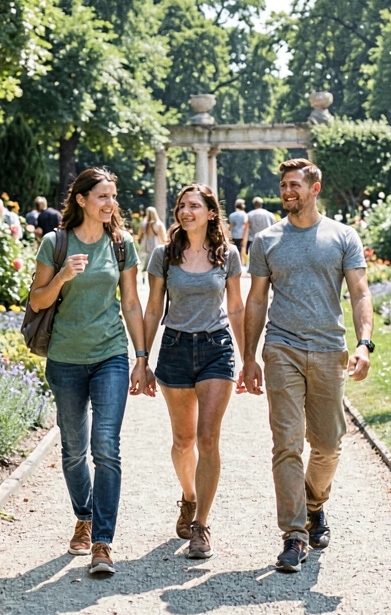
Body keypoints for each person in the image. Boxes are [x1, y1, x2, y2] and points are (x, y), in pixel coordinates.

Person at [238, 159, 374, 573]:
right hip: (282, 348)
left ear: (315, 188)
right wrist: (249, 355)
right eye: (283, 185)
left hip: (329, 348)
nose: (287, 192)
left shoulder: (342, 236)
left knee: (329, 443)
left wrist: (364, 343)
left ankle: (315, 504)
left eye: (295, 185)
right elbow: (257, 300)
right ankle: (294, 534)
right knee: (287, 443)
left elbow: (360, 292)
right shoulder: (267, 240)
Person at [28, 168, 148, 576]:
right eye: (102, 196)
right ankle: (84, 514)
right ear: (81, 199)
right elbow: (38, 301)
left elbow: (131, 303)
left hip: (110, 355)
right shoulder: (55, 243)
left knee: (106, 447)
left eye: (113, 196)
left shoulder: (121, 244)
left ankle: (102, 541)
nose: (110, 203)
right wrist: (62, 275)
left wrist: (142, 356)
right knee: (74, 449)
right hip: (65, 359)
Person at [141, 184, 245, 560]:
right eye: (182, 206)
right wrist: (142, 359)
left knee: (208, 439)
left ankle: (201, 525)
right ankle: (188, 496)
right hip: (175, 349)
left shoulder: (227, 255)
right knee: (183, 442)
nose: (186, 212)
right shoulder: (164, 255)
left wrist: (249, 358)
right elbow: (153, 308)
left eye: (194, 206)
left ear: (210, 213)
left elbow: (235, 308)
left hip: (216, 348)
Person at [138, 206, 168, 273]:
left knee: (144, 259)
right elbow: (162, 235)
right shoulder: (159, 224)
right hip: (155, 242)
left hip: (145, 243)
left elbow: (140, 234)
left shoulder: (143, 224)